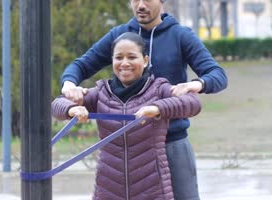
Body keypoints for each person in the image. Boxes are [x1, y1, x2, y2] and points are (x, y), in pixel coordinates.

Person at [61, 0, 228, 199]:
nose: (140, 4)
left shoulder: (181, 35)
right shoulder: (119, 36)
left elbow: (217, 75)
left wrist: (196, 84)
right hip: (129, 149)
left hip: (172, 142)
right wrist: (69, 84)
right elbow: (81, 65)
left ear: (161, 0)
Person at [52, 32, 201, 200]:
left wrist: (157, 108)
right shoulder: (101, 93)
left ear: (145, 61)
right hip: (108, 189)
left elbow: (193, 103)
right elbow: (57, 104)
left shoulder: (159, 89)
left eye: (131, 57)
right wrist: (72, 109)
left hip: (154, 189)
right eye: (118, 57)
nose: (125, 63)